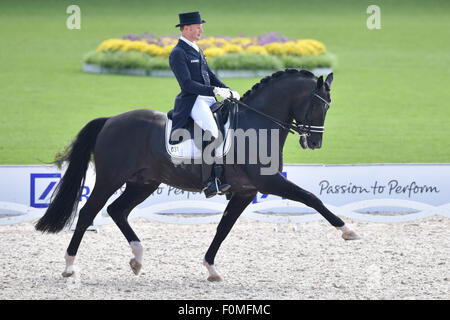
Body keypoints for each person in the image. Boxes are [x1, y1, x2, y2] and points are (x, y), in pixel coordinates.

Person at [169, 11, 239, 198]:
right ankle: (211, 181)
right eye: (198, 27)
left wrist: (228, 90)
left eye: (201, 26)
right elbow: (187, 85)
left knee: (232, 125)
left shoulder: (196, 49)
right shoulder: (178, 53)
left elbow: (211, 77)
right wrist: (215, 91)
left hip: (208, 98)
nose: (201, 30)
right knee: (213, 132)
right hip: (193, 100)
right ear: (186, 28)